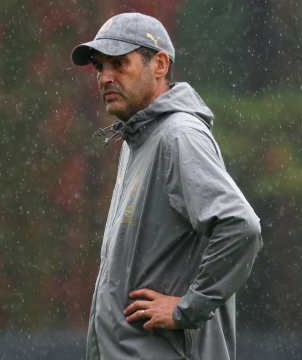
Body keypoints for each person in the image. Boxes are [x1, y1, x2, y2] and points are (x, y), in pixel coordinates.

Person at [71, 12, 263, 360]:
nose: (104, 78)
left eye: (118, 63)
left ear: (159, 64)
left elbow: (241, 227)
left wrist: (185, 308)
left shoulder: (178, 136)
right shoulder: (139, 138)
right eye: (99, 67)